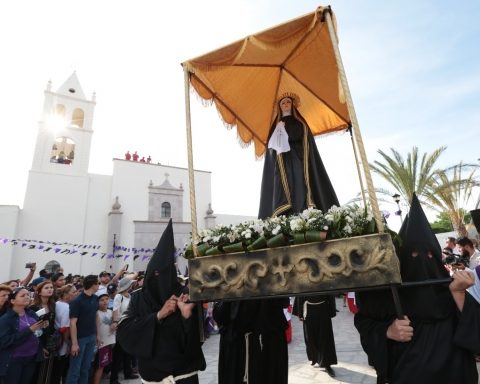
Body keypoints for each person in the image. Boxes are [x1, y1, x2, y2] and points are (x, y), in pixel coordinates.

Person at [354, 193, 478, 383]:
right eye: (412, 254)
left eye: (429, 255)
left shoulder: (449, 289)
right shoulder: (389, 295)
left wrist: (459, 293)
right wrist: (388, 331)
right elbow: (364, 322)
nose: (421, 260)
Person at [117, 219, 206, 383]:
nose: (159, 279)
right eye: (155, 274)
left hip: (183, 376)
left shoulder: (184, 296)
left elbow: (196, 341)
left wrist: (187, 318)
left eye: (164, 275)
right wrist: (158, 315)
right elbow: (125, 332)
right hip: (153, 378)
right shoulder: (138, 298)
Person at [258, 92, 339, 219]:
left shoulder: (299, 121)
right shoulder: (276, 124)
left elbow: (301, 135)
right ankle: (287, 215)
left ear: (292, 105)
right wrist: (279, 130)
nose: (285, 104)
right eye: (283, 103)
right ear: (280, 107)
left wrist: (286, 132)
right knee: (286, 186)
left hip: (298, 157)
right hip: (282, 163)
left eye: (288, 102)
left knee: (300, 182)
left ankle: (302, 211)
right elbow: (271, 146)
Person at [0, 287, 48, 383]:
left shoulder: (31, 313)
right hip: (14, 360)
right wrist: (29, 330)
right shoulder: (6, 319)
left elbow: (36, 333)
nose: (27, 297)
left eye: (28, 295)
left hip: (31, 358)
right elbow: (4, 342)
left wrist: (41, 327)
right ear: (13, 301)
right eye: (23, 295)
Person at [293, 295, 337, 377]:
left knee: (325, 337)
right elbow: (300, 291)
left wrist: (331, 309)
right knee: (310, 337)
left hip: (323, 309)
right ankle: (314, 357)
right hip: (308, 310)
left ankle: (327, 364)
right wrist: (300, 312)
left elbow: (329, 290)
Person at [66, 274, 99, 384]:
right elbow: (73, 323)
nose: (98, 285)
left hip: (91, 336)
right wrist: (74, 343)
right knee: (75, 369)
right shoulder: (77, 301)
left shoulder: (95, 298)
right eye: (97, 283)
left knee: (86, 367)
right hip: (80, 338)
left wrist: (97, 335)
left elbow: (95, 317)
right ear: (92, 285)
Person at [29, 279, 58, 384]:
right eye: (46, 288)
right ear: (39, 292)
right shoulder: (33, 308)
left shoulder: (53, 306)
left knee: (47, 371)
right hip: (37, 343)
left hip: (49, 341)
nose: (50, 289)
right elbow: (32, 330)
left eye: (51, 287)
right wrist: (40, 347)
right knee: (36, 372)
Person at [110, 277, 137, 383]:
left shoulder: (130, 296)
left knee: (128, 352)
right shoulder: (118, 296)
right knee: (118, 354)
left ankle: (128, 372)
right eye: (131, 284)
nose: (132, 285)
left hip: (129, 326)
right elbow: (115, 311)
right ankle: (114, 379)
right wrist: (116, 322)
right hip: (121, 327)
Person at [51, 284, 77, 384]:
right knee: (59, 371)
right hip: (61, 343)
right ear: (66, 294)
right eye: (73, 292)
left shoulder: (57, 303)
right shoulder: (67, 308)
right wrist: (68, 344)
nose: (76, 294)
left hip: (56, 340)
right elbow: (65, 328)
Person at [93, 294, 116, 384]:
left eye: (106, 299)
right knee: (100, 366)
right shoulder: (96, 313)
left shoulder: (111, 312)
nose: (105, 301)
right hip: (101, 344)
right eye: (102, 300)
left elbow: (114, 324)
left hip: (109, 342)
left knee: (103, 365)